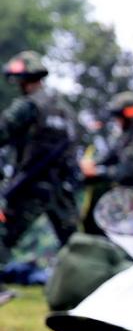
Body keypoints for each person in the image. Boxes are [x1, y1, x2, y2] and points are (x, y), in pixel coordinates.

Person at [0, 51, 79, 305]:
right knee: (74, 243)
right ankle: (87, 291)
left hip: (30, 185)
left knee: (4, 233)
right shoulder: (64, 109)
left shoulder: (29, 105)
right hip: (60, 187)